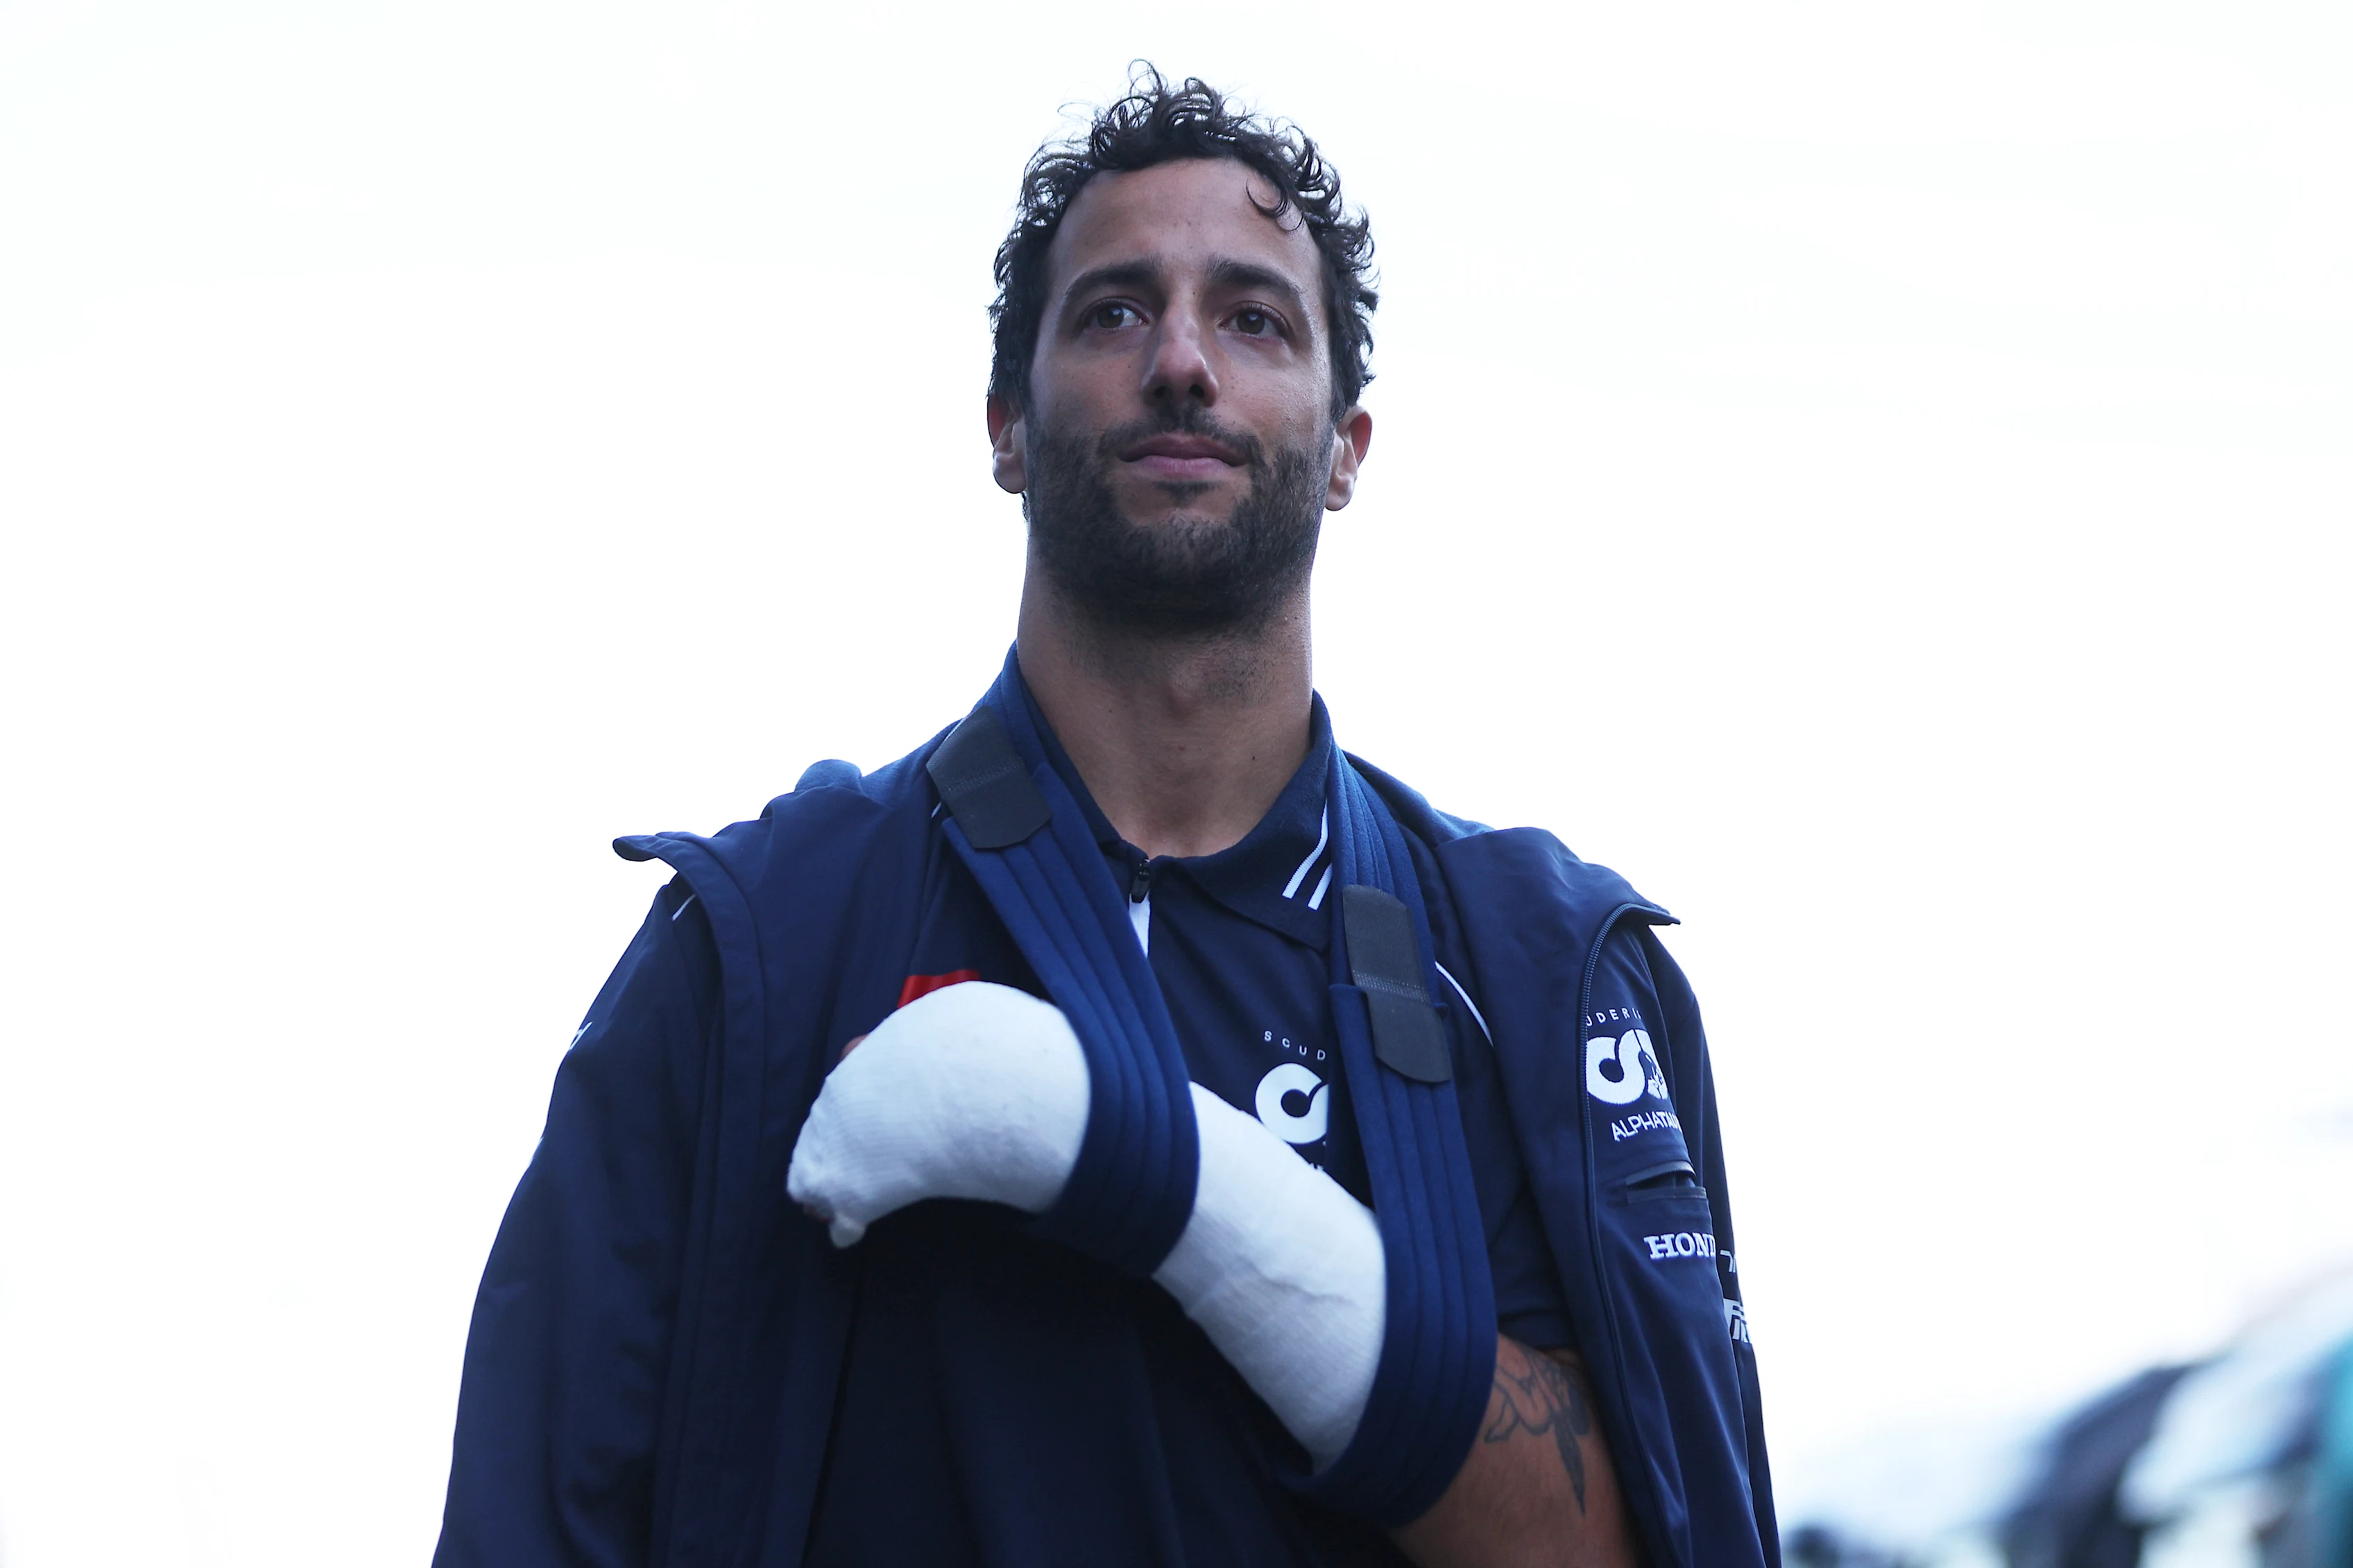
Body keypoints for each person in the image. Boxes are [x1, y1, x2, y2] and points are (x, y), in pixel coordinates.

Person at [434, 69, 1777, 1568]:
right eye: (1116, 311)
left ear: (1346, 449)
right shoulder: (757, 952)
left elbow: (1644, 1537)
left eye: (1255, 318)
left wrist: (1155, 1172)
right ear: (1007, 425)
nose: (1184, 362)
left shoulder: (1534, 969)